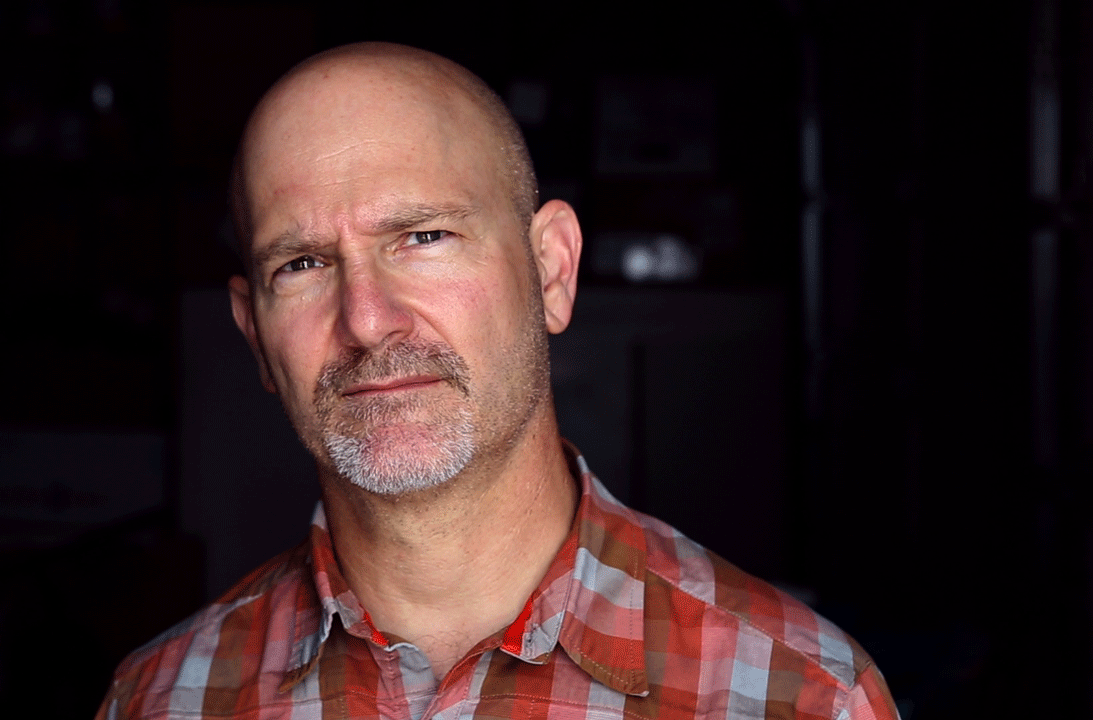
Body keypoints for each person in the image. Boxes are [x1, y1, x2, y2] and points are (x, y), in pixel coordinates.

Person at [95, 42, 900, 720]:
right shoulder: (161, 700)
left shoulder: (801, 697)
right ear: (255, 335)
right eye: (302, 264)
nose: (367, 320)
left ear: (551, 271)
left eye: (424, 237)